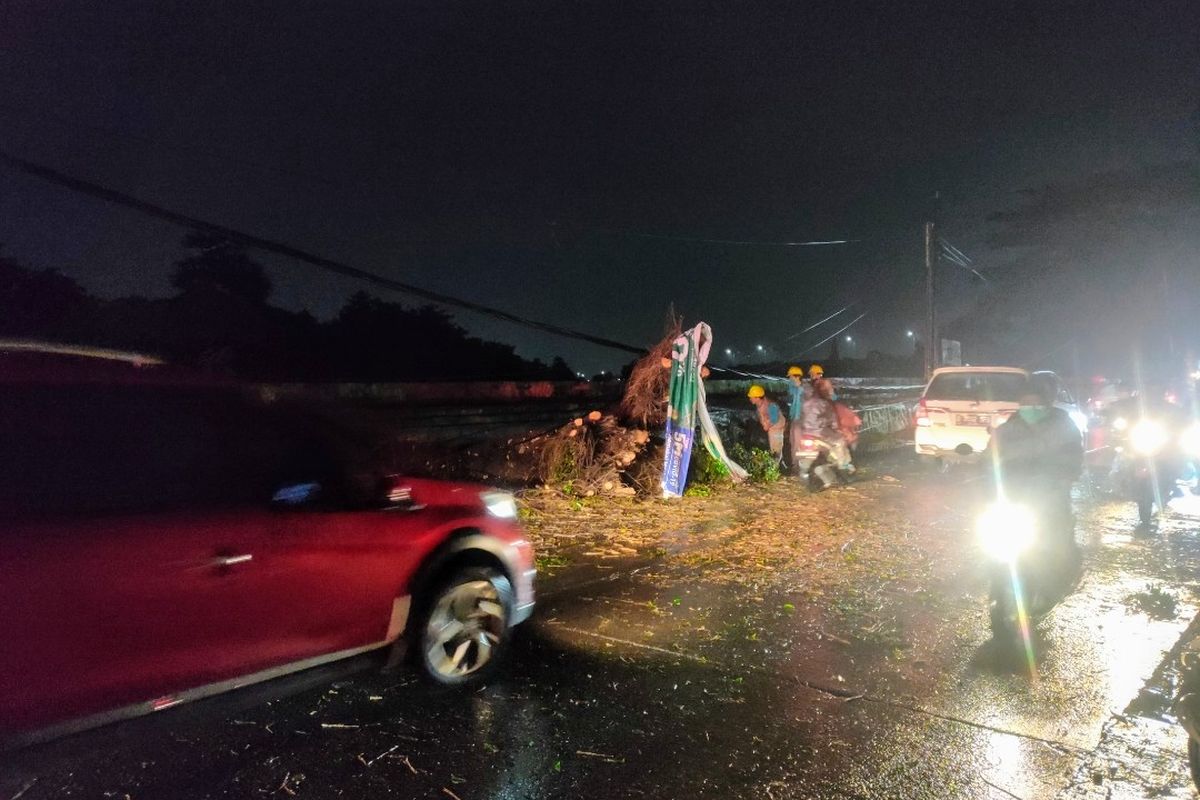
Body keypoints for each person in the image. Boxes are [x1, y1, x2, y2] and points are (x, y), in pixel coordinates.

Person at [989, 383, 1084, 566]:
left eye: (1035, 403)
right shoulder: (1006, 430)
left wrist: (1066, 477)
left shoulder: (1064, 427)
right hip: (1014, 495)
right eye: (1025, 403)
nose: (1030, 407)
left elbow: (1074, 455)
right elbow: (989, 458)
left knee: (1056, 542)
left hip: (1050, 493)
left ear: (1046, 404)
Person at [800, 377, 851, 489]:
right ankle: (843, 469)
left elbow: (802, 418)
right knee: (841, 442)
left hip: (806, 434)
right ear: (824, 390)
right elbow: (833, 421)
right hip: (822, 434)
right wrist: (837, 429)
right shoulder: (825, 403)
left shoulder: (807, 402)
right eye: (829, 389)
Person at [747, 385, 787, 462]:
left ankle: (775, 467)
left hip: (777, 428)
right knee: (771, 448)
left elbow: (774, 419)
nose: (750, 399)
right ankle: (777, 464)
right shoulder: (759, 404)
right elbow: (761, 416)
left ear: (757, 398)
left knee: (776, 450)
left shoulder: (771, 405)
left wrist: (766, 426)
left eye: (751, 397)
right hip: (770, 428)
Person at [786, 366, 806, 473]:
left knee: (798, 444)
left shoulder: (803, 390)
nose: (789, 380)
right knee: (793, 443)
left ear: (796, 377)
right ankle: (795, 466)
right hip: (795, 420)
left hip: (800, 421)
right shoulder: (795, 390)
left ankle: (799, 467)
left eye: (790, 377)